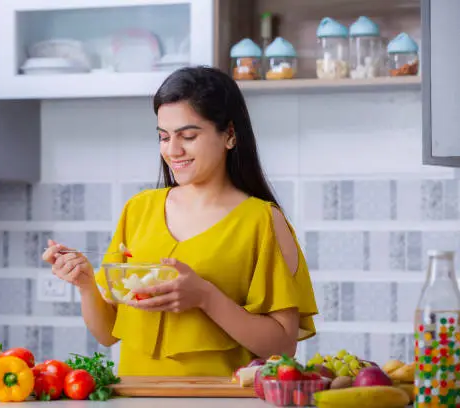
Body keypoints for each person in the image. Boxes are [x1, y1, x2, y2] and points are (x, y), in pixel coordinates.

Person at [42, 66, 318, 377]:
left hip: (219, 402)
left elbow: (282, 347)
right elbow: (108, 334)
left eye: (188, 136)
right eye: (163, 137)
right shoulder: (138, 210)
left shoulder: (263, 222)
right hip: (138, 399)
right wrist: (86, 285)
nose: (173, 151)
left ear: (229, 135)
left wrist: (206, 297)